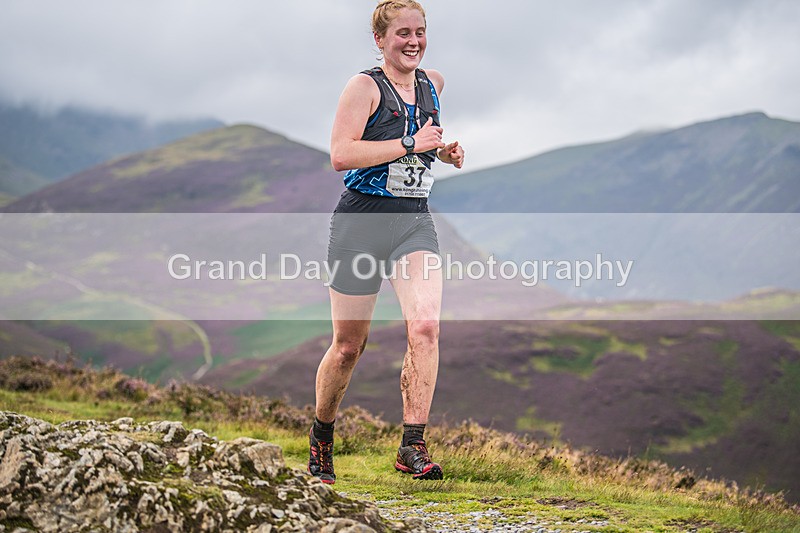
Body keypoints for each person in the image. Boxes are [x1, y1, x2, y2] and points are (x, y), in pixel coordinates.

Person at [308, 0, 465, 485]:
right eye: (403, 33)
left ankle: (412, 446)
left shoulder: (433, 84)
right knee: (348, 346)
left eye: (420, 31)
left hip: (412, 222)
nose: (413, 42)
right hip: (361, 223)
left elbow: (422, 142)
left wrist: (444, 151)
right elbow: (341, 154)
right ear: (380, 40)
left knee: (426, 327)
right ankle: (321, 438)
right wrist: (412, 144)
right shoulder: (364, 87)